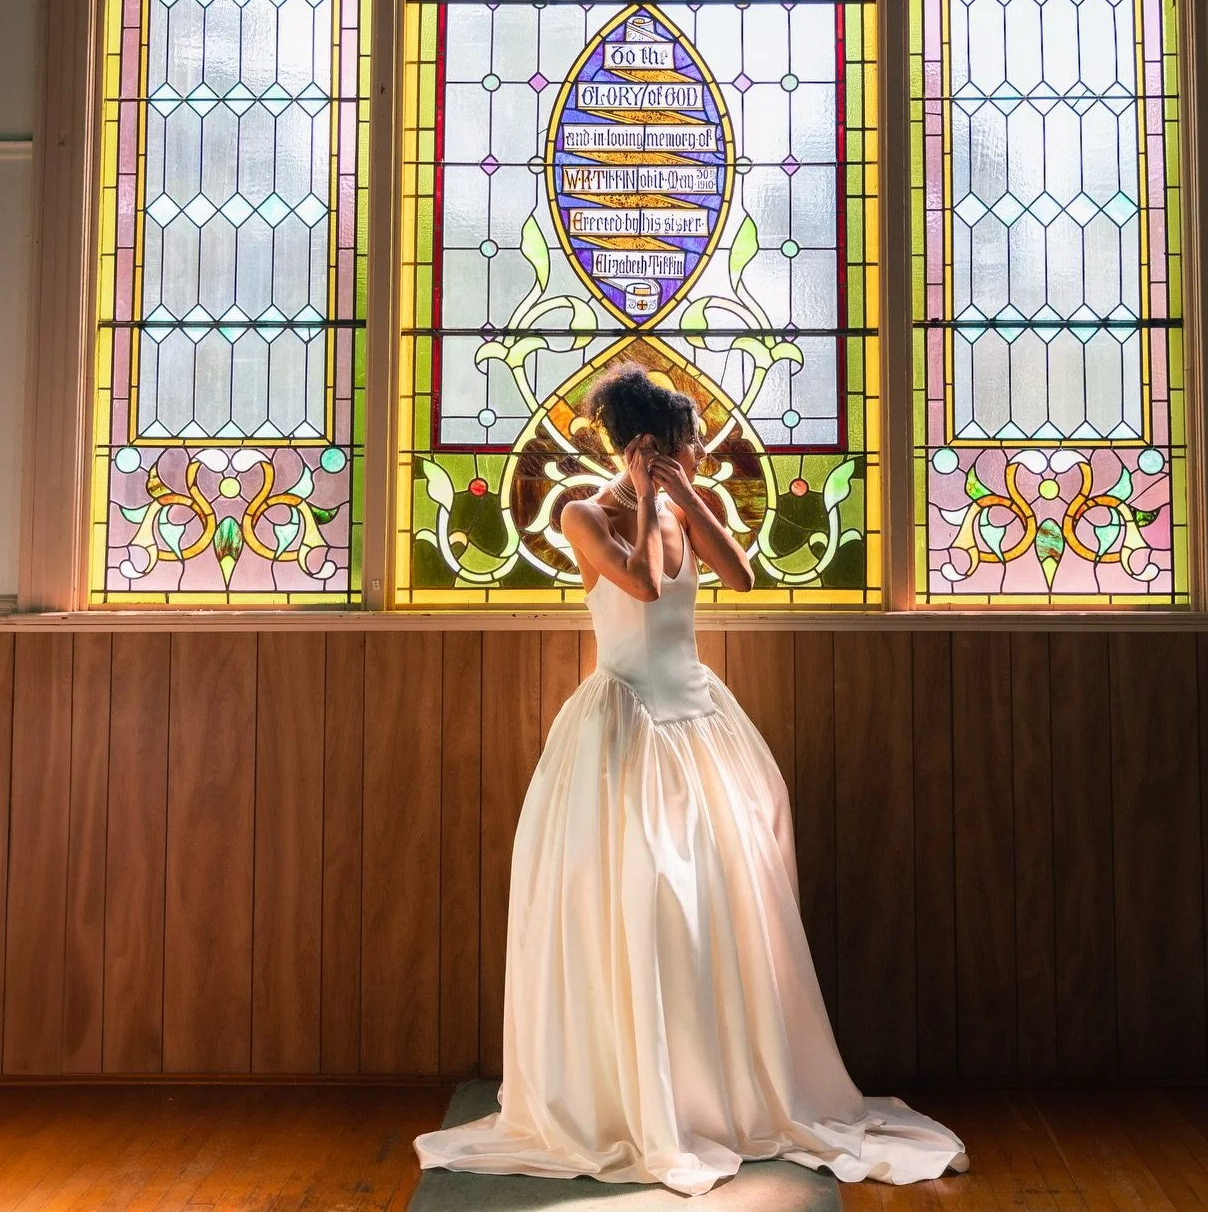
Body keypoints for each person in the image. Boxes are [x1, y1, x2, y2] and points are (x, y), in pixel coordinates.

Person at [414, 363, 968, 1194]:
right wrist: (642, 495)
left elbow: (740, 574)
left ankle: (717, 1087)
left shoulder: (680, 503)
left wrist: (684, 497)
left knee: (719, 904)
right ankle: (631, 1094)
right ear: (646, 444)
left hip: (699, 721)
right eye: (685, 444)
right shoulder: (580, 512)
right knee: (639, 902)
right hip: (624, 727)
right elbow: (636, 583)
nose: (698, 453)